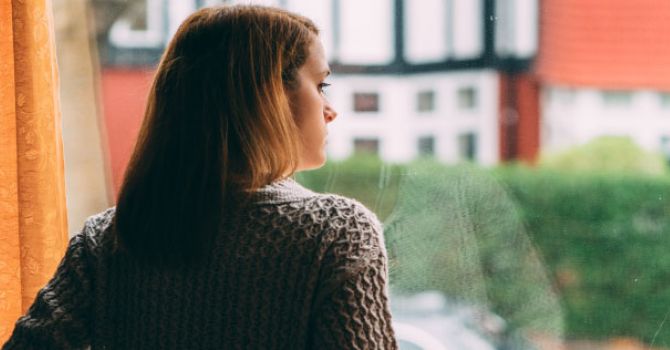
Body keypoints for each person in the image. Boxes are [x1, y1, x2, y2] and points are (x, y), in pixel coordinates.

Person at [3, 5, 398, 349]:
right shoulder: (338, 232)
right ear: (267, 96)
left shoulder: (108, 239)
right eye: (321, 85)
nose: (330, 109)